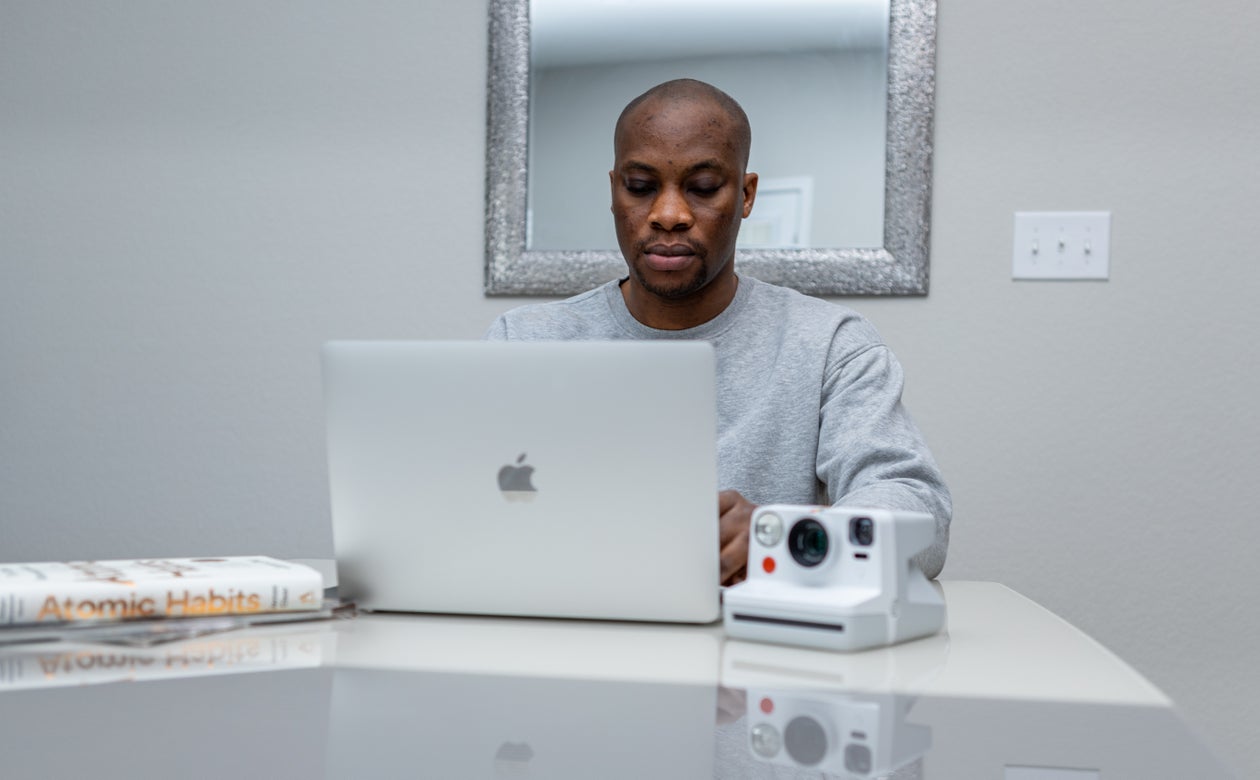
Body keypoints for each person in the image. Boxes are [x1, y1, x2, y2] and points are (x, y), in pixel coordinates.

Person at [485, 78, 951, 582]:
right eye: (640, 188)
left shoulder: (830, 345)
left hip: (756, 645)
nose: (669, 215)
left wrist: (783, 536)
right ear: (615, 190)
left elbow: (919, 513)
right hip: (561, 630)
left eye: (703, 188)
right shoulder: (524, 342)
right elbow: (453, 499)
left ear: (746, 195)